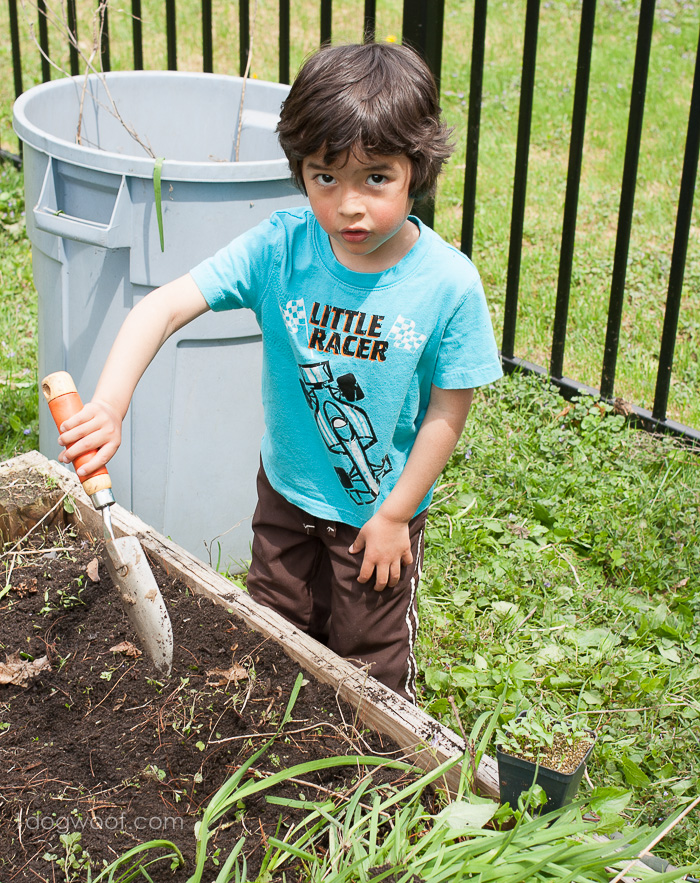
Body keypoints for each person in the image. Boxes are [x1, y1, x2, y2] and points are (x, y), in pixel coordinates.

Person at [55, 42, 502, 703]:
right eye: (325, 177)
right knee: (273, 633)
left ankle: (378, 778)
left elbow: (445, 412)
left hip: (375, 514)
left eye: (375, 178)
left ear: (418, 170)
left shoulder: (446, 285)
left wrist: (394, 515)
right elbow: (163, 305)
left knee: (369, 656)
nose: (349, 206)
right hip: (286, 497)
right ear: (300, 171)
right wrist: (112, 405)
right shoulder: (280, 248)